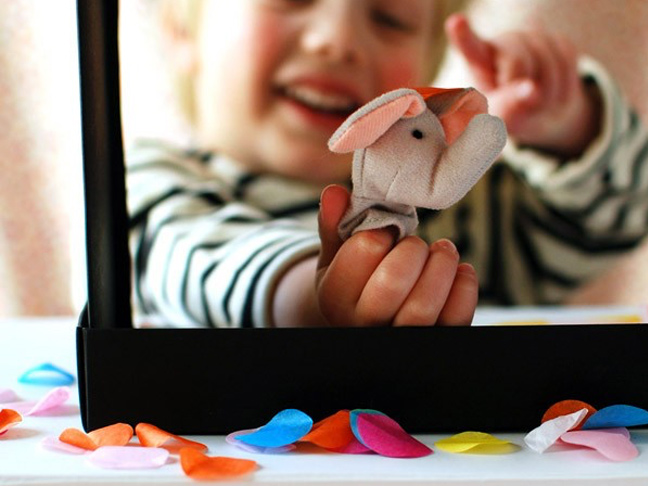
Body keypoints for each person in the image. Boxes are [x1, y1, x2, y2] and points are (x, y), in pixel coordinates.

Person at [127, 0, 648, 329]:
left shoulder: (471, 207)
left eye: (390, 18)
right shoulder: (152, 180)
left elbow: (614, 221)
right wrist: (312, 296)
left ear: (425, 74)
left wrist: (570, 131)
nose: (339, 40)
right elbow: (194, 258)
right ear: (181, 33)